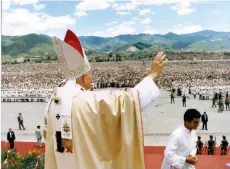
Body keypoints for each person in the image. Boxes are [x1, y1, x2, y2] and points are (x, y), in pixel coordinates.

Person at [44, 29, 167, 169]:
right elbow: (130, 102)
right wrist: (152, 75)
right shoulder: (88, 101)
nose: (91, 78)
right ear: (84, 76)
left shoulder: (53, 102)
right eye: (90, 74)